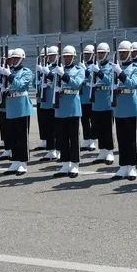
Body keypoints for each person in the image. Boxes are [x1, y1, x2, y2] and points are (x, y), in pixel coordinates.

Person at [110, 41, 137, 180]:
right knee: (122, 138)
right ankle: (123, 166)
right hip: (119, 106)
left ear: (130, 53)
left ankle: (132, 167)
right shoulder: (115, 67)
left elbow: (132, 84)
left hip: (131, 105)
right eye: (120, 52)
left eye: (124, 52)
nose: (122, 54)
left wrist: (119, 72)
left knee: (131, 139)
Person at [0, 48, 34, 174]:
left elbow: (20, 85)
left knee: (22, 136)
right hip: (11, 105)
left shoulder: (27, 72)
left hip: (21, 105)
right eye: (12, 58)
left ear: (21, 59)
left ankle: (23, 162)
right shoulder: (10, 71)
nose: (13, 60)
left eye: (15, 58)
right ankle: (15, 161)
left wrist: (9, 75)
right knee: (12, 135)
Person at [54, 45, 86, 177]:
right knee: (62, 138)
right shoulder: (57, 70)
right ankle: (65, 163)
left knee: (73, 137)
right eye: (65, 56)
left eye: (69, 56)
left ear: (74, 57)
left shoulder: (79, 70)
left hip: (72, 106)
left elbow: (76, 84)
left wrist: (63, 75)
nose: (67, 59)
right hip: (60, 106)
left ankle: (75, 164)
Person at [89, 43, 115, 165]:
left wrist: (99, 72)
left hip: (106, 101)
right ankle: (102, 150)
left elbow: (110, 81)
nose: (100, 55)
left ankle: (109, 151)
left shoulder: (111, 67)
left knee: (107, 128)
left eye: (102, 53)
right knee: (98, 127)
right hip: (96, 101)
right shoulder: (95, 66)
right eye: (98, 53)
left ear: (107, 53)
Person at [79, 45, 97, 150]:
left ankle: (93, 140)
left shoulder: (95, 66)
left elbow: (92, 79)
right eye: (85, 54)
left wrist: (85, 69)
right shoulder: (82, 65)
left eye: (88, 54)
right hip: (83, 97)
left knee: (93, 120)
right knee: (84, 119)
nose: (86, 56)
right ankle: (86, 139)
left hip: (91, 96)